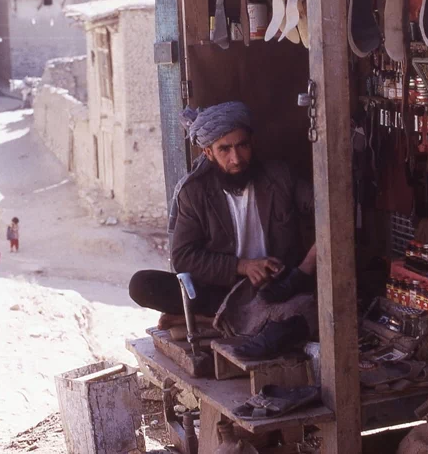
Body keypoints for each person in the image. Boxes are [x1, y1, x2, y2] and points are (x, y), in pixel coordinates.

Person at [128, 101, 317, 357]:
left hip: (277, 286)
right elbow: (184, 257)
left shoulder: (279, 176)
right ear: (208, 152)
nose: (236, 158)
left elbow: (327, 209)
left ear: (252, 143)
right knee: (142, 284)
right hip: (221, 289)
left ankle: (208, 320)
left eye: (242, 146)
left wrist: (306, 266)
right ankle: (222, 316)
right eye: (225, 149)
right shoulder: (194, 193)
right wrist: (243, 266)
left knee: (307, 307)